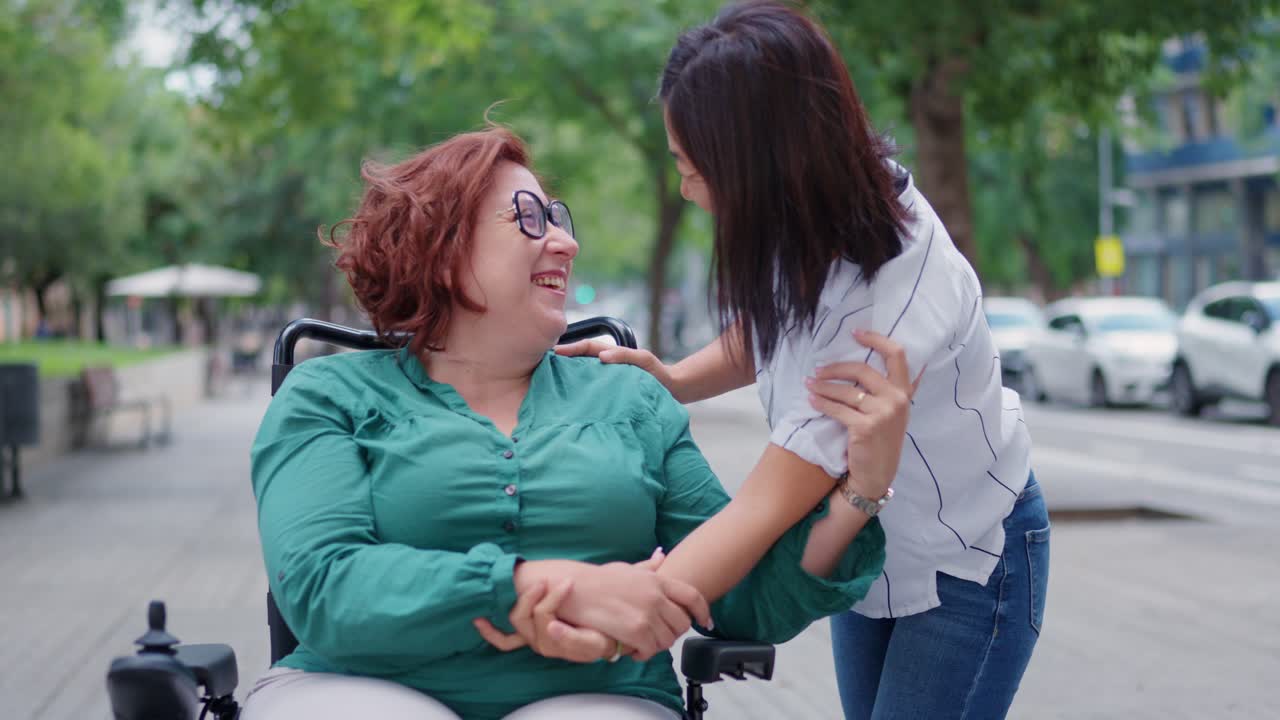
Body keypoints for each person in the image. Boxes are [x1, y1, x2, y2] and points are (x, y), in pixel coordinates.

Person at [243, 126, 914, 720]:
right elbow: (323, 583)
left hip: (599, 696)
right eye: (529, 219)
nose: (566, 240)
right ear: (440, 246)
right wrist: (533, 586)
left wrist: (858, 492)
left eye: (559, 217)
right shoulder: (327, 395)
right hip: (359, 684)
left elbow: (743, 598)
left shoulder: (630, 402)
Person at [556, 2, 1050, 718]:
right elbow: (770, 327)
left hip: (968, 560)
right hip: (868, 543)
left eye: (695, 169)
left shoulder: (887, 309)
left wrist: (593, 618)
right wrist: (673, 379)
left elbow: (760, 513)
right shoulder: (815, 206)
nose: (688, 189)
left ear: (759, 162)